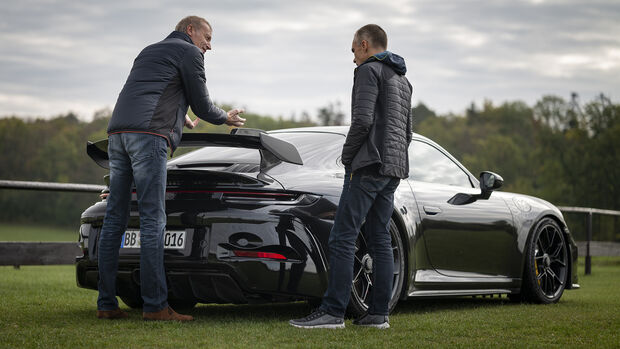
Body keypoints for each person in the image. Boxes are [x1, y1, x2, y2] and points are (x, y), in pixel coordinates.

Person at [96, 15, 246, 321]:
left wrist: (180, 115)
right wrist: (225, 118)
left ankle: (106, 304)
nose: (209, 46)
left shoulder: (149, 50)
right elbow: (203, 106)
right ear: (190, 30)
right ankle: (155, 306)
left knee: (114, 220)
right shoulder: (189, 52)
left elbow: (152, 92)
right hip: (149, 136)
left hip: (117, 134)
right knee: (153, 220)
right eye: (207, 37)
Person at [290, 24, 413, 329]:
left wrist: (348, 158)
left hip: (368, 166)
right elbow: (407, 133)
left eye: (353, 51)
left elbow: (362, 120)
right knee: (379, 238)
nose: (353, 59)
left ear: (363, 44)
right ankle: (378, 315)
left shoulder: (368, 71)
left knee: (343, 237)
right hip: (394, 168)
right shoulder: (403, 80)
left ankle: (332, 312)